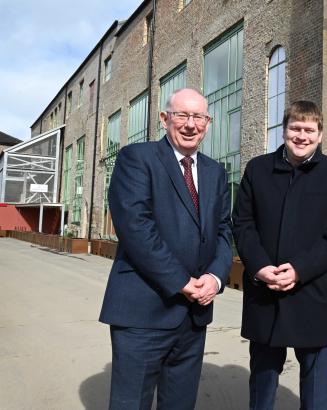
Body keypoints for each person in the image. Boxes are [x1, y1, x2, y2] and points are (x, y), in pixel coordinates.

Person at [99, 88, 233, 409]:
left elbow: (224, 230)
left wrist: (214, 277)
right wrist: (182, 282)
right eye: (182, 115)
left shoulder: (216, 172)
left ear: (208, 123)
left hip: (194, 316)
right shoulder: (137, 158)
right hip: (143, 313)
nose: (191, 124)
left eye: (198, 117)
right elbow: (136, 228)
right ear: (164, 119)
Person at [232, 100, 327, 410]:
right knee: (262, 380)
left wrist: (300, 269)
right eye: (295, 128)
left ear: (320, 134)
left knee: (315, 388)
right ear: (284, 130)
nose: (301, 136)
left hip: (313, 291)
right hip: (265, 290)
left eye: (309, 130)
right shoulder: (257, 169)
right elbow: (243, 224)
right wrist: (260, 267)